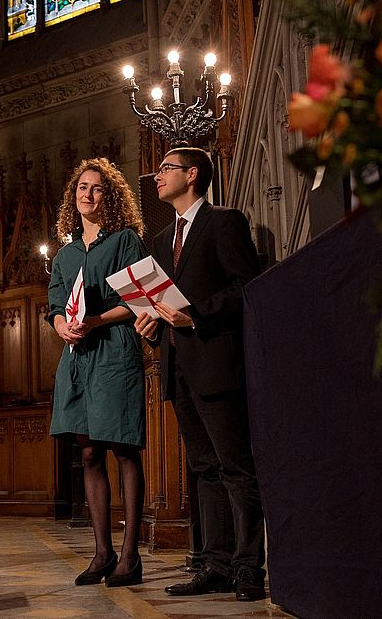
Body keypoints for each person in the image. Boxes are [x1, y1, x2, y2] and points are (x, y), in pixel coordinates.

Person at [133, 147, 265, 601]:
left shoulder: (224, 222)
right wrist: (149, 325)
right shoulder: (161, 239)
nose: (157, 177)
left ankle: (250, 568)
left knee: (235, 468)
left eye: (166, 169)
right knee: (204, 470)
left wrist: (197, 315)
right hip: (177, 368)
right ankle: (217, 564)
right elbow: (161, 306)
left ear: (192, 175)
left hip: (216, 362)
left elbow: (246, 287)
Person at [47, 158, 147, 587]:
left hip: (114, 351)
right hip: (76, 357)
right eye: (82, 188)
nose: (87, 194)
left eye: (97, 189)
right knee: (88, 453)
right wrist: (61, 325)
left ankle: (130, 556)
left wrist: (97, 321)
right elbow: (53, 306)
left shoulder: (125, 240)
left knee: (123, 449)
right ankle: (102, 552)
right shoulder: (65, 254)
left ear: (111, 197)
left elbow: (140, 300)